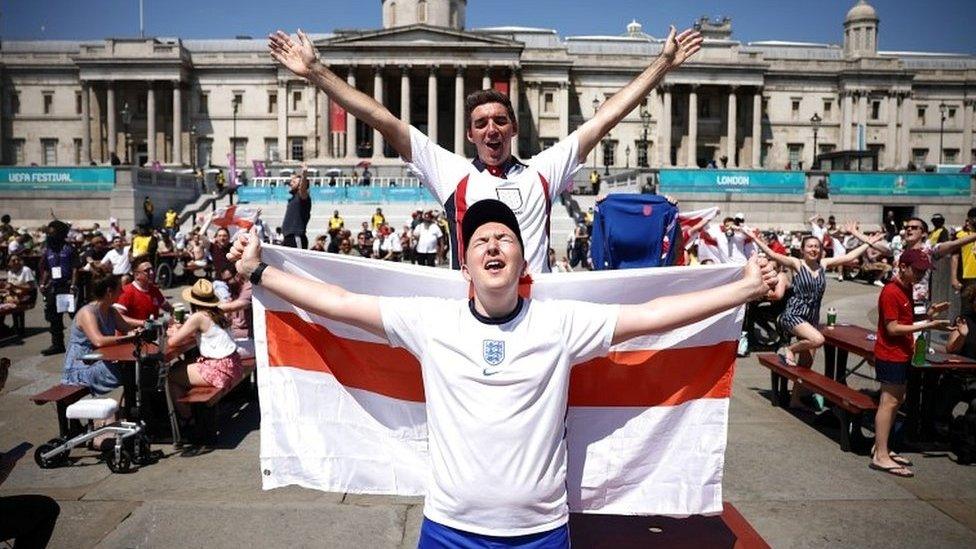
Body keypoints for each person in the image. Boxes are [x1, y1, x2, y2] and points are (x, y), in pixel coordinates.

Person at [227, 198, 777, 545]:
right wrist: (260, 271)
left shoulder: (560, 323)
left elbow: (652, 317)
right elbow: (341, 303)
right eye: (480, 240)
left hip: (539, 533)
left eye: (504, 238)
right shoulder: (430, 321)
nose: (492, 245)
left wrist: (743, 289)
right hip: (449, 530)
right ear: (464, 263)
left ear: (522, 260)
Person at [268, 25, 701, 272]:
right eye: (480, 124)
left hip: (538, 316)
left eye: (499, 120)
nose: (491, 128)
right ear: (471, 135)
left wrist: (662, 64)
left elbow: (605, 118)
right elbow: (382, 118)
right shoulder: (451, 171)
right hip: (469, 313)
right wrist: (317, 72)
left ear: (512, 127)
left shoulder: (542, 171)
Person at [747, 223, 882, 375]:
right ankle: (788, 349)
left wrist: (868, 243)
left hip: (812, 318)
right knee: (818, 340)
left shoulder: (823, 265)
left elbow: (848, 257)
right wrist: (755, 239)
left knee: (806, 365)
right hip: (794, 315)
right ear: (802, 250)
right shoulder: (797, 263)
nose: (814, 249)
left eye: (817, 247)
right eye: (810, 246)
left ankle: (796, 399)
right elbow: (772, 255)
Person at [872, 249, 949, 478]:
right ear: (902, 266)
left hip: (901, 353)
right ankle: (881, 455)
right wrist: (928, 326)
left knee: (896, 401)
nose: (920, 275)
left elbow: (905, 321)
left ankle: (881, 447)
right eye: (917, 270)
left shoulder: (906, 288)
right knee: (889, 402)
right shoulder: (892, 291)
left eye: (924, 271)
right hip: (890, 353)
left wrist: (929, 316)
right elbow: (892, 328)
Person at [167, 279, 245, 420]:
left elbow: (173, 342)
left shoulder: (198, 316)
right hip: (233, 364)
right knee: (181, 366)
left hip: (219, 369)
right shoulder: (218, 312)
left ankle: (187, 418)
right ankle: (190, 412)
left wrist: (173, 331)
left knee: (171, 375)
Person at [61, 274, 141, 394]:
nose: (123, 292)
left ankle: (132, 409)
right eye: (120, 289)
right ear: (109, 291)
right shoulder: (88, 312)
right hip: (80, 369)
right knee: (125, 373)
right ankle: (128, 409)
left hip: (98, 361)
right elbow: (98, 341)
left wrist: (138, 331)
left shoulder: (111, 311)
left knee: (137, 370)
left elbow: (128, 329)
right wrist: (129, 337)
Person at [37, 220, 79, 355]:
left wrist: (73, 285)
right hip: (53, 287)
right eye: (49, 233)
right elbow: (46, 270)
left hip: (66, 287)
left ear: (61, 234)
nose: (50, 236)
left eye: (53, 233)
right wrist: (43, 284)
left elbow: (74, 269)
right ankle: (57, 344)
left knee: (74, 315)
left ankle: (86, 341)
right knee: (54, 317)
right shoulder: (48, 250)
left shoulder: (70, 249)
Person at [115, 258, 173, 323]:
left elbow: (168, 308)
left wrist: (177, 312)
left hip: (151, 331)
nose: (151, 273)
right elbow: (117, 317)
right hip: (130, 332)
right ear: (137, 275)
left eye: (151, 269)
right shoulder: (126, 292)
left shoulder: (154, 290)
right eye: (146, 271)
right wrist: (143, 323)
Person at [1, 254, 36, 336]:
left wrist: (14, 287)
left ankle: (18, 328)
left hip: (28, 295)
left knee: (12, 303)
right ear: (9, 263)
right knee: (3, 301)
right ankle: (3, 327)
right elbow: (10, 287)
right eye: (13, 261)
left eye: (18, 260)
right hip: (16, 294)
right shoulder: (10, 272)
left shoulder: (26, 270)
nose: (16, 262)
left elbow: (30, 287)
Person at [951, 209, 976, 315]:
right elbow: (954, 257)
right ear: (970, 219)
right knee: (967, 308)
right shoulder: (960, 235)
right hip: (967, 278)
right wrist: (954, 278)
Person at [281, 168, 311, 249]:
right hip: (288, 238)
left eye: (294, 182)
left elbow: (303, 189)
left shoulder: (302, 197)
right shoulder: (293, 199)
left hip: (296, 237)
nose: (291, 183)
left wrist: (304, 174)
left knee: (298, 262)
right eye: (291, 182)